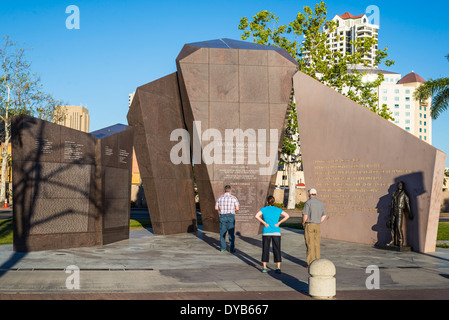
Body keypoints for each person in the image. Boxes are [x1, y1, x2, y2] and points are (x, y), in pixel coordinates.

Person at [255, 195, 290, 274]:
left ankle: (264, 267)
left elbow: (256, 216)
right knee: (277, 249)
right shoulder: (278, 209)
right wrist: (279, 223)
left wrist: (264, 223)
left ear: (267, 202)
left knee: (265, 249)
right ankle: (278, 268)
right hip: (276, 232)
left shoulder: (264, 209)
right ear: (274, 202)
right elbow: (287, 216)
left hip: (266, 232)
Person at [302, 188, 327, 267]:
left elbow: (305, 215)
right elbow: (324, 215)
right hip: (317, 225)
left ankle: (311, 263)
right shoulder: (320, 203)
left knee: (310, 244)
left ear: (310, 194)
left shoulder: (308, 203)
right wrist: (319, 221)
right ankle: (317, 261)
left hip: (309, 224)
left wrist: (303, 222)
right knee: (317, 244)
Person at [387, 181, 413, 247]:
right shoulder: (394, 193)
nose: (399, 186)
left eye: (401, 185)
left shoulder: (404, 194)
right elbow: (392, 204)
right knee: (392, 226)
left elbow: (407, 204)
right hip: (393, 210)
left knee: (398, 227)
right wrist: (390, 214)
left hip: (399, 210)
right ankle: (392, 240)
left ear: (403, 186)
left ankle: (400, 241)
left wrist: (410, 213)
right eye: (398, 185)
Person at [215, 185, 240, 253]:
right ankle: (231, 249)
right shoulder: (234, 198)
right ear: (230, 190)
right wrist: (232, 210)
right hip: (231, 216)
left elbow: (216, 208)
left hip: (222, 216)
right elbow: (237, 208)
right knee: (231, 234)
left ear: (224, 190)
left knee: (222, 233)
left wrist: (221, 210)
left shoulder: (219, 198)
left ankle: (223, 249)